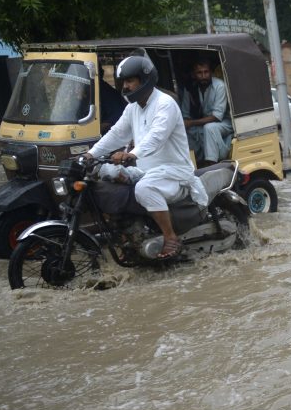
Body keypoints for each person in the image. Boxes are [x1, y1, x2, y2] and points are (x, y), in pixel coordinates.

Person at [86, 55, 208, 259]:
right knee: (104, 172)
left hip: (174, 172)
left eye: (130, 81)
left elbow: (156, 138)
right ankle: (126, 233)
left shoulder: (165, 104)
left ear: (145, 80)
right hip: (146, 171)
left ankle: (171, 238)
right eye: (124, 82)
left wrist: (131, 154)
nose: (125, 86)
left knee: (144, 189)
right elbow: (116, 134)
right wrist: (90, 155)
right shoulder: (133, 108)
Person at [181, 58, 233, 165]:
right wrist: (186, 124)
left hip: (224, 123)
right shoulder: (190, 89)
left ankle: (211, 163)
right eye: (199, 73)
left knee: (209, 128)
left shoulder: (219, 86)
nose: (203, 76)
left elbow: (216, 117)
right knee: (185, 131)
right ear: (194, 75)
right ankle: (195, 163)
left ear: (211, 73)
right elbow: (185, 115)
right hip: (202, 122)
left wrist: (191, 123)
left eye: (206, 72)